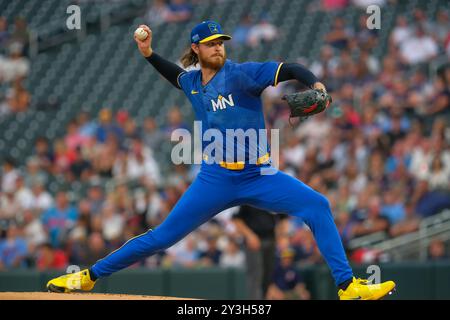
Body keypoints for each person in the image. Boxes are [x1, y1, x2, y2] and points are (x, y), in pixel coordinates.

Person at [47, 20, 396, 300]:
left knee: (317, 205)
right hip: (215, 179)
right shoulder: (194, 83)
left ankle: (348, 286)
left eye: (221, 42)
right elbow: (175, 75)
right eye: (211, 43)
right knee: (162, 237)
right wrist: (148, 53)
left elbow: (290, 67)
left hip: (259, 175)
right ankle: (90, 277)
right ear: (197, 49)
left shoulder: (242, 74)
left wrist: (316, 84)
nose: (218, 47)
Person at [232, 205, 286, 299]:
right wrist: (249, 235)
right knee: (255, 276)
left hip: (271, 239)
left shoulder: (272, 196)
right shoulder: (248, 198)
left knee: (267, 276)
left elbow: (283, 218)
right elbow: (237, 219)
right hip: (254, 240)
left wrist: (282, 236)